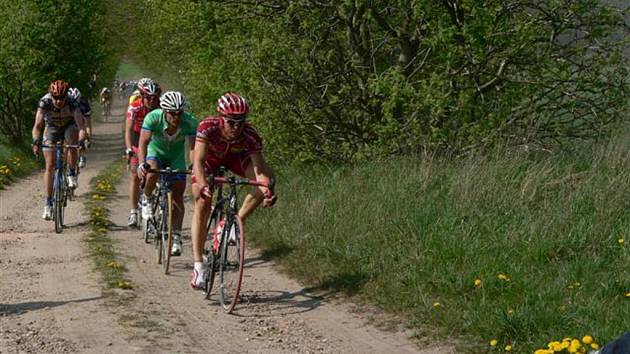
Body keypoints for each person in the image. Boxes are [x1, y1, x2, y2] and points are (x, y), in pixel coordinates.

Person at [189, 92, 276, 289]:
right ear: (221, 118)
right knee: (202, 201)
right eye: (231, 122)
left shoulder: (250, 135)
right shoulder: (208, 127)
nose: (236, 127)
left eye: (241, 122)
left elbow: (260, 171)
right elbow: (198, 161)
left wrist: (267, 190)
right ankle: (198, 265)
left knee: (266, 182)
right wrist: (203, 185)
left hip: (235, 160)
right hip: (210, 161)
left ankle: (233, 223)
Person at [136, 91, 198, 256]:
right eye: (172, 113)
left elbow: (193, 148)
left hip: (176, 158)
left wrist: (194, 165)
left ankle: (176, 236)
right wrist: (142, 163)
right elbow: (143, 142)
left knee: (178, 195)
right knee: (152, 173)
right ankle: (147, 199)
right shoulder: (153, 117)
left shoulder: (190, 122)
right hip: (155, 153)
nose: (176, 117)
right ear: (164, 111)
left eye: (179, 113)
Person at [31, 80, 86, 220]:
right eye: (56, 97)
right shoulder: (45, 102)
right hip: (52, 128)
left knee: (72, 140)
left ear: (66, 96)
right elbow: (37, 126)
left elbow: (81, 126)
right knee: (49, 165)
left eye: (62, 98)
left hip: (69, 126)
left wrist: (81, 141)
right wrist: (36, 141)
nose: (59, 101)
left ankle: (71, 172)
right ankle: (48, 203)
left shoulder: (73, 102)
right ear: (51, 95)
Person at [124, 79, 161, 227]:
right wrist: (128, 148)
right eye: (148, 97)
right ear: (142, 96)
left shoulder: (160, 107)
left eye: (155, 97)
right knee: (135, 175)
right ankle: (133, 212)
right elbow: (128, 130)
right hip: (136, 138)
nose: (152, 100)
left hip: (154, 141)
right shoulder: (135, 107)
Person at [68, 88, 92, 168]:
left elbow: (88, 124)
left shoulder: (84, 105)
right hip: (69, 124)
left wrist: (88, 137)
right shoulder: (65, 105)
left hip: (81, 124)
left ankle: (81, 155)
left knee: (82, 138)